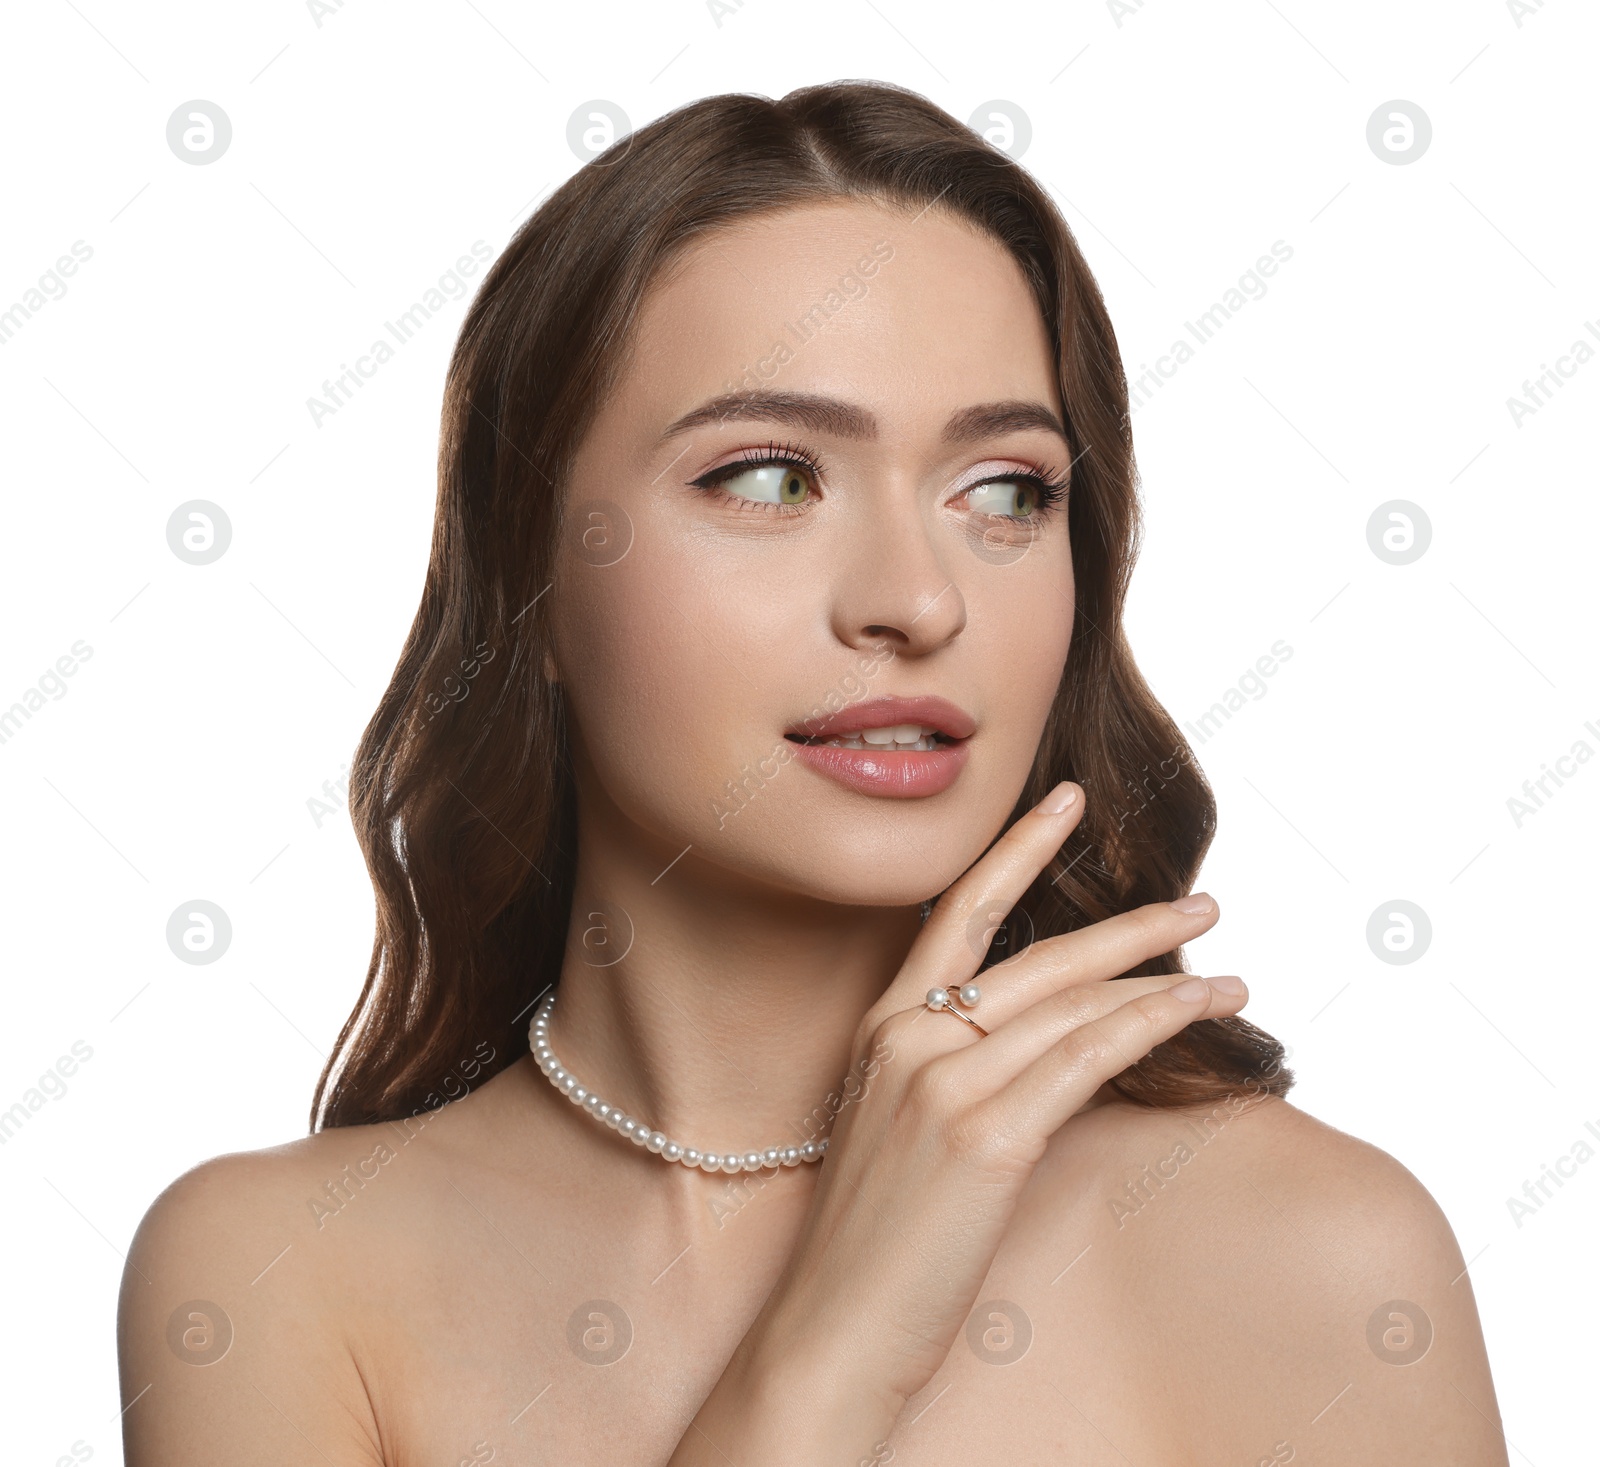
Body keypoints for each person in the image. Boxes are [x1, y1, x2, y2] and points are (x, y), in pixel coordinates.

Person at [118, 81, 1507, 1465]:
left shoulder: (1320, 1260)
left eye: (1005, 491)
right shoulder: (275, 1283)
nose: (918, 599)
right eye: (772, 478)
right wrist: (835, 1342)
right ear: (530, 577)